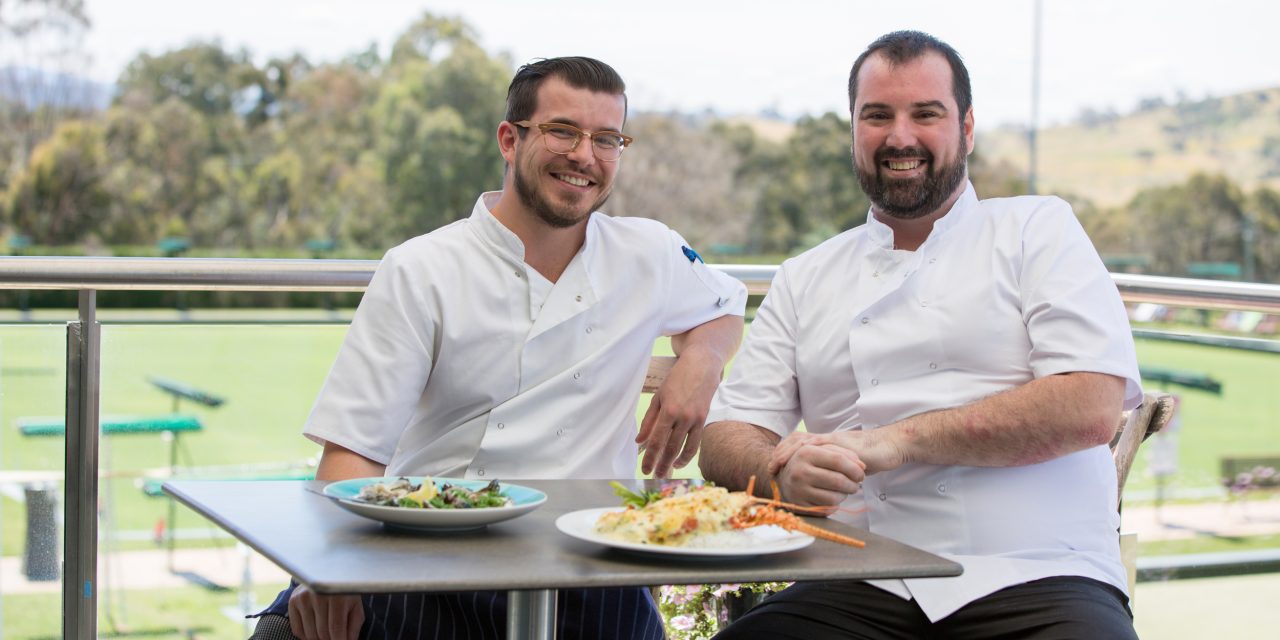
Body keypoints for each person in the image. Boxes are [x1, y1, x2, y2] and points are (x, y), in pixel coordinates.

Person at [251, 56, 747, 640]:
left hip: (592, 559)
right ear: (510, 140)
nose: (585, 156)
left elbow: (722, 309)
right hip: (430, 551)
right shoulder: (423, 269)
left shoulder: (650, 252)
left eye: (607, 139)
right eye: (563, 131)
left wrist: (702, 360)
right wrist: (329, 570)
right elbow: (354, 451)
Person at [700, 31, 1143, 639]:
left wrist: (890, 444)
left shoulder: (1037, 229)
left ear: (966, 127)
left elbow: (1089, 405)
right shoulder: (806, 276)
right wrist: (777, 476)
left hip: (1041, 574)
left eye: (925, 114)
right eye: (876, 115)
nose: (899, 137)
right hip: (858, 575)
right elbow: (725, 437)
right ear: (853, 131)